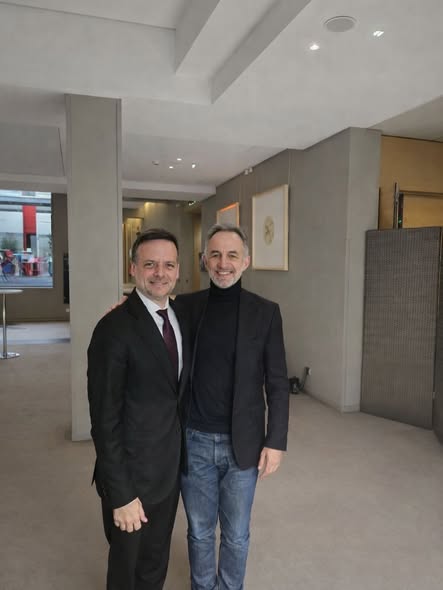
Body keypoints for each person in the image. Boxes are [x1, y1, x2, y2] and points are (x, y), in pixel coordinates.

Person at [175, 223, 289, 590]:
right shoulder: (184, 307)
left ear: (246, 261)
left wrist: (276, 441)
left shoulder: (266, 312)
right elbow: (149, 326)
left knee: (237, 534)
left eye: (232, 255)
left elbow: (277, 382)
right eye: (216, 255)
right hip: (194, 439)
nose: (223, 263)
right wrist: (121, 310)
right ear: (204, 259)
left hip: (244, 443)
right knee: (199, 531)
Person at [87, 228, 190, 590]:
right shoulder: (112, 329)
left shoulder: (182, 316)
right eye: (150, 264)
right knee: (126, 570)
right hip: (131, 479)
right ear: (133, 269)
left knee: (155, 563)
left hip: (169, 471)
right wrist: (121, 494)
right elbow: (104, 420)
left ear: (178, 270)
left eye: (168, 265)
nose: (160, 273)